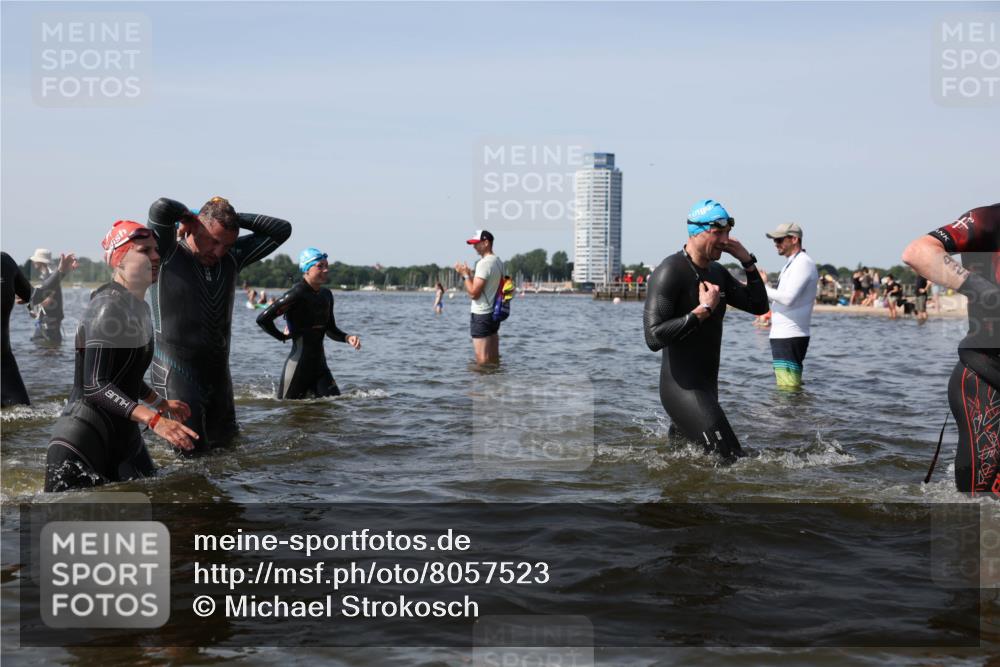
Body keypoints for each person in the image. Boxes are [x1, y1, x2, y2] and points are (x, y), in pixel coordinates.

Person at [44, 221, 198, 492]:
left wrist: (160, 403)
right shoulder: (106, 307)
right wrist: (154, 420)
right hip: (83, 437)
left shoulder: (139, 308)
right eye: (144, 251)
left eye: (155, 250)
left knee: (157, 504)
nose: (156, 256)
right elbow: (96, 385)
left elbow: (126, 375)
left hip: (124, 433)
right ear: (119, 260)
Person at [147, 196, 291, 450]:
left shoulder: (233, 257)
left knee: (228, 450)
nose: (219, 252)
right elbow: (161, 208)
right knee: (190, 455)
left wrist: (232, 219)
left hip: (218, 378)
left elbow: (282, 229)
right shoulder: (167, 253)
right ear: (195, 227)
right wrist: (190, 215)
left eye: (227, 245)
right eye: (214, 241)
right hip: (175, 372)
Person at [643, 199, 769, 461]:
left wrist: (747, 261)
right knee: (734, 459)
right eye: (718, 233)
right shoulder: (670, 272)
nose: (725, 240)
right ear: (696, 231)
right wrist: (703, 311)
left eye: (728, 233)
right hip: (682, 390)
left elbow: (759, 305)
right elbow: (653, 337)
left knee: (684, 464)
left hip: (708, 389)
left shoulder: (717, 272)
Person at [902, 203, 1000, 496]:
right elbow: (918, 252)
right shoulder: (989, 219)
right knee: (981, 504)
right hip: (987, 377)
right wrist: (989, 294)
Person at [256, 248, 361, 399]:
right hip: (297, 368)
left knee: (335, 405)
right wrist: (282, 337)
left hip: (320, 368)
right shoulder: (296, 294)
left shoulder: (326, 295)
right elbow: (262, 319)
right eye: (320, 266)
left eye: (326, 266)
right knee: (286, 408)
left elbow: (329, 328)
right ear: (306, 269)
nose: (326, 270)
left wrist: (347, 337)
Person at [1, 251, 75, 406]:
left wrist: (61, 272)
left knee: (24, 413)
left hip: (5, 363)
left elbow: (35, 296)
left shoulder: (5, 262)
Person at [761, 223, 818, 390]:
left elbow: (788, 298)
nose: (775, 244)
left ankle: (793, 408)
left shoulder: (803, 263)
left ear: (794, 239)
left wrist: (763, 288)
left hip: (790, 335)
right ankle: (797, 408)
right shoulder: (792, 263)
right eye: (774, 240)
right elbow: (781, 297)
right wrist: (765, 285)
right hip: (784, 335)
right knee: (787, 388)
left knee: (788, 390)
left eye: (779, 240)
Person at [454, 230, 504, 365]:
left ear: (486, 243)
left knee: (481, 360)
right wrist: (470, 275)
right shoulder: (498, 262)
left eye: (477, 243)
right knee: (493, 358)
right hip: (494, 313)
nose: (474, 247)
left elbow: (474, 294)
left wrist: (465, 275)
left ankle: (482, 379)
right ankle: (495, 378)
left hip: (482, 314)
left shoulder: (483, 263)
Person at [28, 248, 74, 346]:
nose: (33, 262)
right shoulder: (49, 277)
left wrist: (31, 304)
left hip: (49, 327)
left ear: (40, 262)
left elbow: (47, 301)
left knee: (42, 350)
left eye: (35, 260)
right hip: (48, 325)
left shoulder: (49, 278)